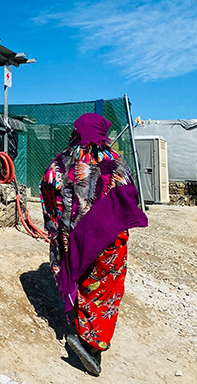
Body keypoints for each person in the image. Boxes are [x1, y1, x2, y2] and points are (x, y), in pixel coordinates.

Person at [40, 113, 148, 376]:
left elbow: (47, 192)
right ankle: (92, 345)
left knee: (81, 278)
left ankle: (83, 335)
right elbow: (131, 199)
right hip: (110, 241)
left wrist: (60, 227)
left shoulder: (60, 163)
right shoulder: (116, 164)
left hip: (75, 240)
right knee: (105, 289)